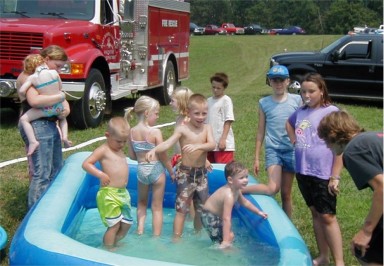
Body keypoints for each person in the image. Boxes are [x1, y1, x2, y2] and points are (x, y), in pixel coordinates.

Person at [286, 73, 344, 266]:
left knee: (327, 216)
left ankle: (339, 262)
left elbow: (339, 146)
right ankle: (323, 256)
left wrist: (335, 176)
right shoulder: (301, 111)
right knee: (315, 213)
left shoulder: (331, 112)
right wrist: (295, 141)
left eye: (311, 91)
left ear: (321, 91)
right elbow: (289, 123)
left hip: (322, 173)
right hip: (303, 171)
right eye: (303, 91)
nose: (306, 95)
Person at [146, 93, 216, 240]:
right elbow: (167, 143)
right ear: (188, 112)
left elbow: (212, 144)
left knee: (201, 208)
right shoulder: (182, 129)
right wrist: (154, 150)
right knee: (181, 210)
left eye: (204, 113)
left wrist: (198, 146)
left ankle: (198, 234)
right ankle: (176, 239)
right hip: (186, 174)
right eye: (197, 113)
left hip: (202, 175)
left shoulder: (207, 128)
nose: (201, 117)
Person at [318, 110, 383, 265]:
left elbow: (382, 187)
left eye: (326, 141)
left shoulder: (353, 149)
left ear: (333, 135)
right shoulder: (374, 137)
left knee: (365, 251)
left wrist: (366, 230)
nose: (327, 147)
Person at [242, 65, 302, 218]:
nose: (278, 83)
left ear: (288, 81)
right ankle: (239, 190)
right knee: (272, 188)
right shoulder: (264, 103)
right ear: (269, 81)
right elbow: (260, 131)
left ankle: (288, 226)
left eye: (281, 80)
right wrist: (256, 157)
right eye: (274, 80)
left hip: (291, 150)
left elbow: (303, 126)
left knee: (286, 194)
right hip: (273, 150)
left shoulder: (297, 100)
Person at [17, 45, 70, 209]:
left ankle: (49, 209)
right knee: (43, 171)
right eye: (58, 66)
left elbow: (64, 105)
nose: (59, 70)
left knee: (55, 168)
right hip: (37, 125)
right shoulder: (31, 76)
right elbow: (35, 101)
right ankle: (34, 213)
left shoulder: (48, 76)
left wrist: (62, 104)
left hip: (49, 123)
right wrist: (60, 97)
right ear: (47, 59)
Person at [124, 96, 174, 236]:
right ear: (147, 113)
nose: (158, 117)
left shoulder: (131, 132)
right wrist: (171, 171)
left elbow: (132, 156)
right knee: (157, 207)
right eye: (156, 113)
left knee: (141, 202)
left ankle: (140, 230)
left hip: (141, 171)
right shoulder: (155, 132)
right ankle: (156, 236)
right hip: (156, 169)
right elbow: (163, 155)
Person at [82, 117, 133, 249]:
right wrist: (100, 174)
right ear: (107, 135)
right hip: (108, 193)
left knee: (127, 224)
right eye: (118, 141)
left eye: (124, 141)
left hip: (123, 193)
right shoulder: (103, 150)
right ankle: (108, 249)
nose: (122, 145)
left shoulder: (118, 149)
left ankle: (114, 241)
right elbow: (86, 164)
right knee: (114, 225)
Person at [201, 160, 268, 248]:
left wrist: (259, 212)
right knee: (226, 240)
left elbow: (245, 202)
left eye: (246, 177)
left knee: (230, 236)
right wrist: (225, 241)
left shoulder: (236, 190)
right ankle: (220, 250)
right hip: (208, 217)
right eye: (241, 178)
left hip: (214, 215)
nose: (246, 180)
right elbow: (226, 219)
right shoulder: (229, 195)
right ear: (230, 180)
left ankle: (223, 245)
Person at [18, 53, 71, 155]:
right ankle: (64, 137)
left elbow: (22, 91)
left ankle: (33, 142)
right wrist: (60, 95)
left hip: (45, 109)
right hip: (57, 106)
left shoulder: (32, 78)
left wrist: (26, 92)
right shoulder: (54, 73)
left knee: (24, 119)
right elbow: (60, 88)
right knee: (62, 119)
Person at [206, 72, 235, 163]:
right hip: (210, 143)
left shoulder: (226, 100)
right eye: (213, 87)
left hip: (222, 144)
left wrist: (223, 139)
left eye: (218, 88)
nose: (215, 90)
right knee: (210, 170)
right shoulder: (208, 101)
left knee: (223, 169)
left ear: (224, 88)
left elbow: (228, 120)